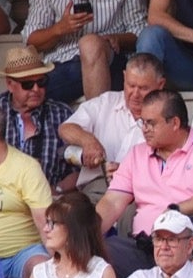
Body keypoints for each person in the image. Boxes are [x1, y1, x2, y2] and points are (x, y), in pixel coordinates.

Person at [96, 89, 193, 277]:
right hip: (145, 247)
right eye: (142, 123)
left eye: (151, 123)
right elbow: (112, 202)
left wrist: (175, 210)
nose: (145, 129)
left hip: (191, 246)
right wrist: (86, 234)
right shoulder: (137, 153)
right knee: (96, 256)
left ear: (175, 123)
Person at [57, 54, 162, 191]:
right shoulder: (106, 102)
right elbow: (65, 128)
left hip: (139, 190)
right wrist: (88, 141)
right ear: (124, 77)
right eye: (131, 85)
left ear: (160, 85)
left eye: (143, 88)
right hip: (96, 187)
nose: (135, 94)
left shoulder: (167, 116)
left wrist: (127, 174)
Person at [0, 100, 52, 278]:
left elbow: (45, 223)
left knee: (41, 270)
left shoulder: (26, 168)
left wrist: (60, 265)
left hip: (21, 255)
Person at [0, 49, 75, 190]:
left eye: (41, 82)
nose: (36, 89)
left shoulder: (61, 113)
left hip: (49, 201)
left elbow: (77, 170)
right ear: (10, 84)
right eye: (27, 84)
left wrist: (57, 190)